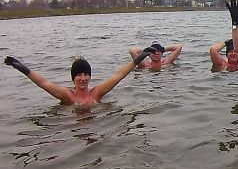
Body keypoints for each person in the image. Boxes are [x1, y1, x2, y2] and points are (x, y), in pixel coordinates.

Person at [4, 47, 157, 105]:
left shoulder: (96, 93)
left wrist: (138, 59)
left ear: (90, 76)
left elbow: (119, 75)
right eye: (79, 75)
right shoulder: (68, 96)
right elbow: (44, 83)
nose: (83, 78)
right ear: (73, 78)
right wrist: (24, 69)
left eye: (86, 74)